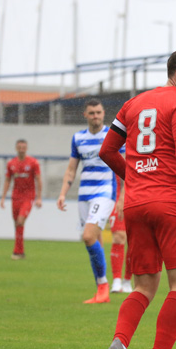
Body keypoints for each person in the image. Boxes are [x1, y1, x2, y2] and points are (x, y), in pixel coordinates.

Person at [97, 48, 176, 349]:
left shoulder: (134, 104)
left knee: (143, 287)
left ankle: (118, 345)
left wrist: (134, 178)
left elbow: (107, 150)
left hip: (135, 205)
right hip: (170, 203)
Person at [56, 99, 124, 303]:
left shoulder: (112, 136)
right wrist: (62, 193)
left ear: (104, 113)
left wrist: (122, 196)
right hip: (84, 195)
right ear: (85, 115)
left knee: (88, 236)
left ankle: (103, 286)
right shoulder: (78, 138)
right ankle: (101, 289)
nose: (96, 116)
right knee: (93, 241)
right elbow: (71, 169)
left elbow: (124, 168)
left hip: (105, 193)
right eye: (92, 113)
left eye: (99, 112)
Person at [0, 139, 42, 260]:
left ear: (27, 148)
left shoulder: (33, 162)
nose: (21, 149)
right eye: (19, 147)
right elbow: (8, 180)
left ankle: (18, 251)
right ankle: (20, 251)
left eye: (23, 147)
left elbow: (39, 179)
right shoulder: (11, 163)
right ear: (16, 148)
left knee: (20, 220)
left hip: (28, 197)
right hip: (15, 197)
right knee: (17, 224)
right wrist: (3, 197)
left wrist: (39, 198)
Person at [108, 175, 132, 293]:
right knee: (119, 236)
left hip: (137, 195)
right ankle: (116, 280)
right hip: (117, 196)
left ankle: (127, 280)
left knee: (135, 241)